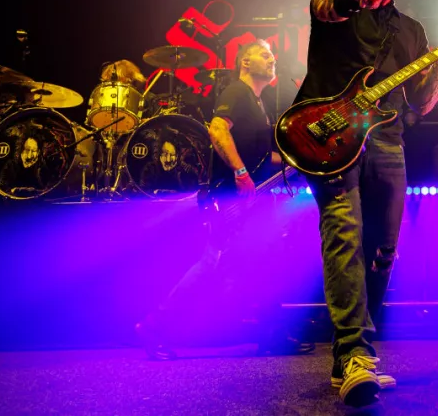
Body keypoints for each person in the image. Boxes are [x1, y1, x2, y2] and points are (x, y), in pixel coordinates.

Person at [291, 0, 438, 407]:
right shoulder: (333, 0)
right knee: (344, 230)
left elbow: (422, 104)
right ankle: (353, 352)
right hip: (328, 136)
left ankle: (350, 353)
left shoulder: (411, 31)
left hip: (387, 142)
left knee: (382, 250)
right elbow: (325, 4)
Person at [134, 39, 313, 360]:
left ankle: (270, 334)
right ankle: (153, 327)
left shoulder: (257, 102)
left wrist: (296, 160)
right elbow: (217, 131)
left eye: (272, 55)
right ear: (244, 63)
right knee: (213, 262)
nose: (272, 60)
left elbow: (259, 157)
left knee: (266, 258)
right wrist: (240, 173)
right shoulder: (236, 92)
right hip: (230, 196)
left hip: (247, 197)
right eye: (264, 54)